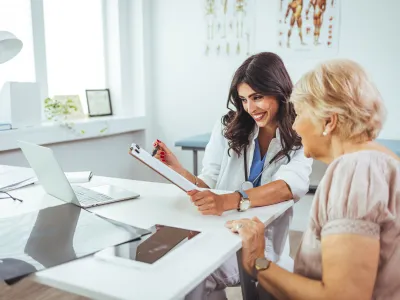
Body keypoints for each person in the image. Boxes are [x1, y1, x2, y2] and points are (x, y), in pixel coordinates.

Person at [227, 59, 400, 299]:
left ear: (329, 121)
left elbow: (341, 296)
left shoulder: (354, 170)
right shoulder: (380, 160)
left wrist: (257, 262)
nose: (295, 126)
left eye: (299, 114)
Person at [153, 52, 312, 299]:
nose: (250, 108)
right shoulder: (228, 126)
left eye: (257, 97)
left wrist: (227, 201)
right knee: (183, 269)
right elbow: (208, 183)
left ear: (279, 91)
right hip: (219, 235)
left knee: (197, 273)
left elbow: (288, 187)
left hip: (263, 244)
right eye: (244, 99)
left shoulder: (300, 130)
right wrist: (179, 171)